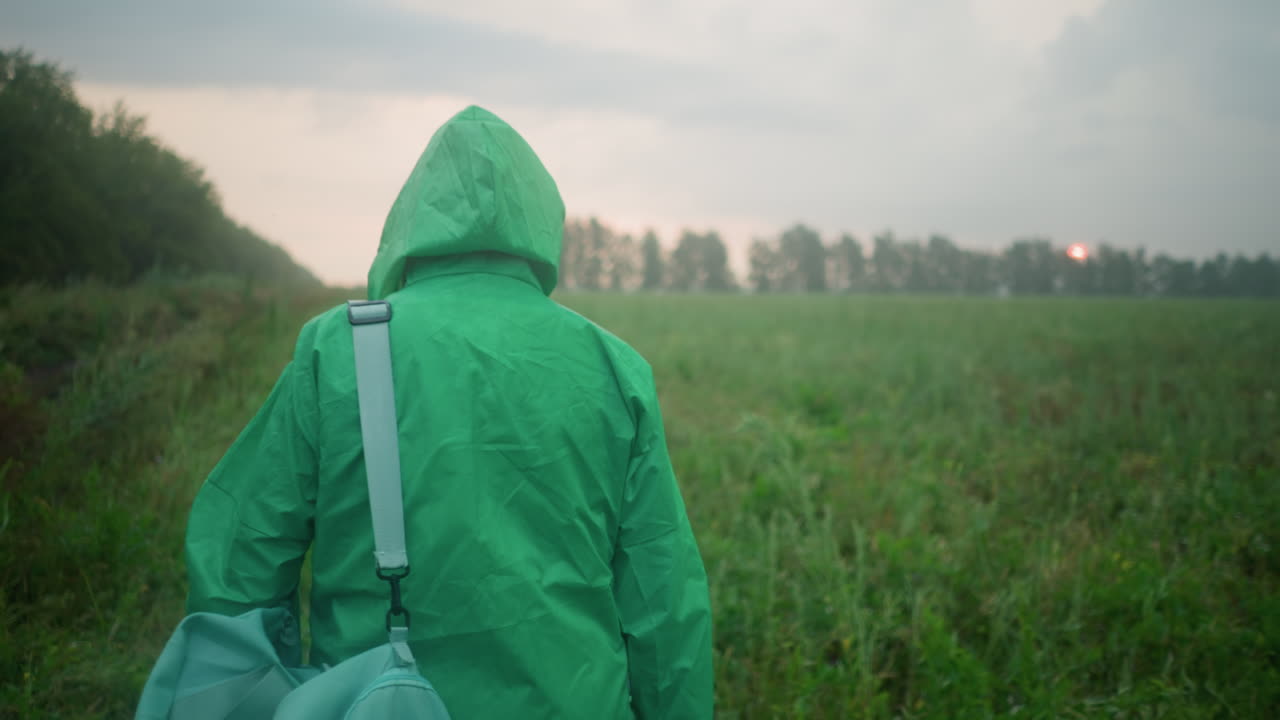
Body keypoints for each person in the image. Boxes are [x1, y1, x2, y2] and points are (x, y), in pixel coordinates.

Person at [182, 105, 714, 718]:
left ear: (411, 218)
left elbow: (241, 565)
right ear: (541, 222)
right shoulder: (614, 367)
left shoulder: (339, 348)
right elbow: (663, 605)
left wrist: (259, 699)